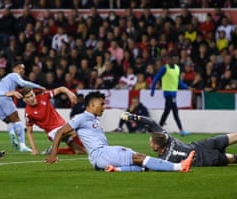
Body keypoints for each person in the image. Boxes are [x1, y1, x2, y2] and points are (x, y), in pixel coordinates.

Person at [45, 91, 195, 172]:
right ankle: (180, 167)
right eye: (101, 104)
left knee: (141, 167)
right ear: (91, 104)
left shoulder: (94, 119)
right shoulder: (81, 117)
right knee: (139, 157)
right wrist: (53, 155)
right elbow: (60, 132)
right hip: (101, 153)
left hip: (101, 157)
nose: (103, 107)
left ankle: (115, 169)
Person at [121, 112, 237, 166]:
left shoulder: (166, 159)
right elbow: (150, 122)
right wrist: (132, 117)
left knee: (235, 158)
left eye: (151, 142)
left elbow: (147, 163)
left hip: (205, 159)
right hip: (205, 144)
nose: (149, 142)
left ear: (157, 147)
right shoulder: (167, 137)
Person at [0, 62, 45, 152]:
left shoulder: (4, 81)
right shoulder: (14, 75)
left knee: (9, 121)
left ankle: (12, 133)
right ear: (14, 69)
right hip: (3, 97)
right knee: (17, 120)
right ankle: (22, 145)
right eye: (19, 68)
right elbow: (22, 83)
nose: (21, 70)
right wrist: (39, 87)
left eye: (23, 69)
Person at [21, 87, 86, 155]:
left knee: (81, 152)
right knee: (74, 129)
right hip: (53, 133)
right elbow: (29, 132)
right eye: (28, 97)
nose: (31, 98)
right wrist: (34, 149)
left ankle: (53, 150)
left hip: (63, 127)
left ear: (34, 94)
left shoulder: (44, 96)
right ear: (24, 100)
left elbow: (61, 89)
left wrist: (70, 93)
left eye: (32, 95)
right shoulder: (28, 113)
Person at [150, 56, 191, 136]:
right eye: (170, 59)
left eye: (174, 59)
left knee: (167, 111)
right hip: (168, 93)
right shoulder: (164, 68)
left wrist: (186, 87)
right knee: (175, 110)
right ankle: (181, 130)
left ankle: (158, 129)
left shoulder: (177, 68)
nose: (172, 60)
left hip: (174, 93)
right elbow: (156, 78)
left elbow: (178, 81)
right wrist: (152, 90)